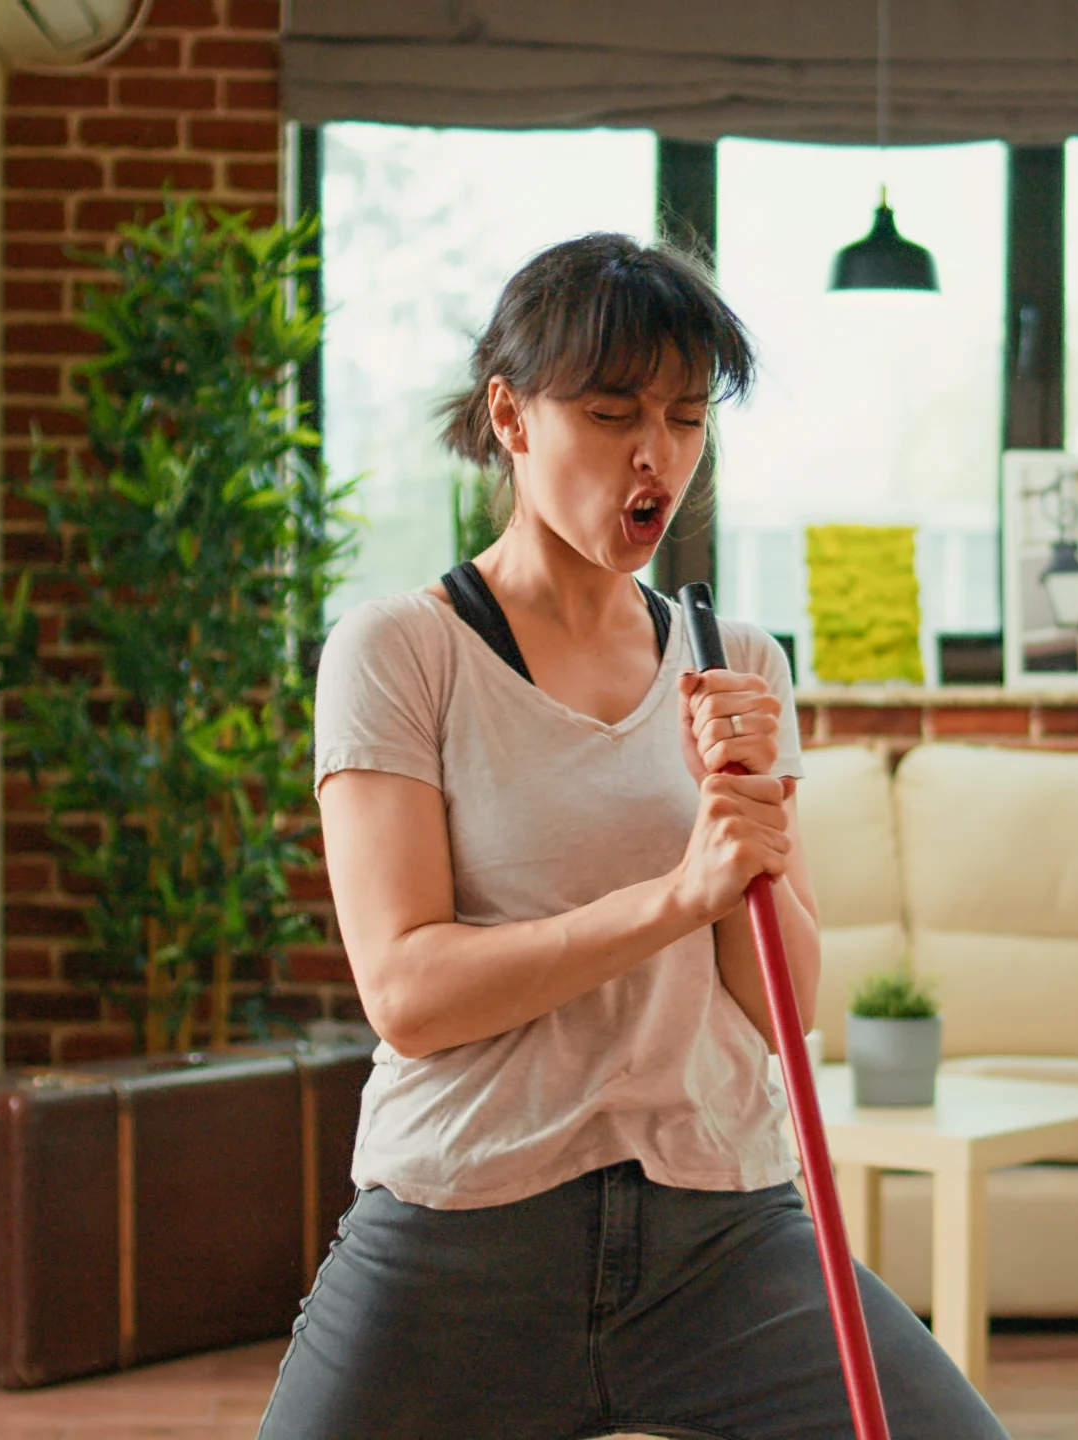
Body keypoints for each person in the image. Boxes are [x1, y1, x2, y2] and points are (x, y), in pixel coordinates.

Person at [256, 234, 1008, 1440]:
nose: (656, 453)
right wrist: (676, 893)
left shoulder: (738, 664)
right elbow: (409, 993)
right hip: (464, 1225)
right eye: (612, 414)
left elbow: (782, 998)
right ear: (509, 415)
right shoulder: (401, 653)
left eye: (686, 417)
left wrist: (744, 821)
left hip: (721, 1229)